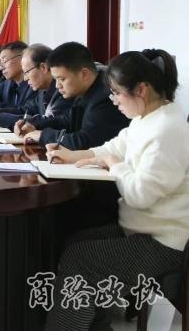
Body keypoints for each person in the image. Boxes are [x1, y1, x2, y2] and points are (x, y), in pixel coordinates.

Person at [43, 49, 189, 331]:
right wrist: (72, 155)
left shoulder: (167, 131)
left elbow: (140, 194)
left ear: (141, 90)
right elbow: (114, 147)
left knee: (81, 260)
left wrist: (114, 165)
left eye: (117, 93)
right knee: (74, 243)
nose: (114, 100)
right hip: (140, 229)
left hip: (163, 243)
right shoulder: (146, 118)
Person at [18, 42, 130, 150]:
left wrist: (42, 135)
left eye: (62, 79)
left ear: (84, 74)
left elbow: (84, 142)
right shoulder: (84, 89)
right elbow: (66, 120)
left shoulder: (105, 96)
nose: (57, 86)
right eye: (56, 79)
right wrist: (34, 125)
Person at [0, 44, 73, 132]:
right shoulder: (42, 91)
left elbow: (52, 122)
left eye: (27, 72)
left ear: (43, 67)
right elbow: (25, 111)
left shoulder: (64, 90)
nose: (25, 78)